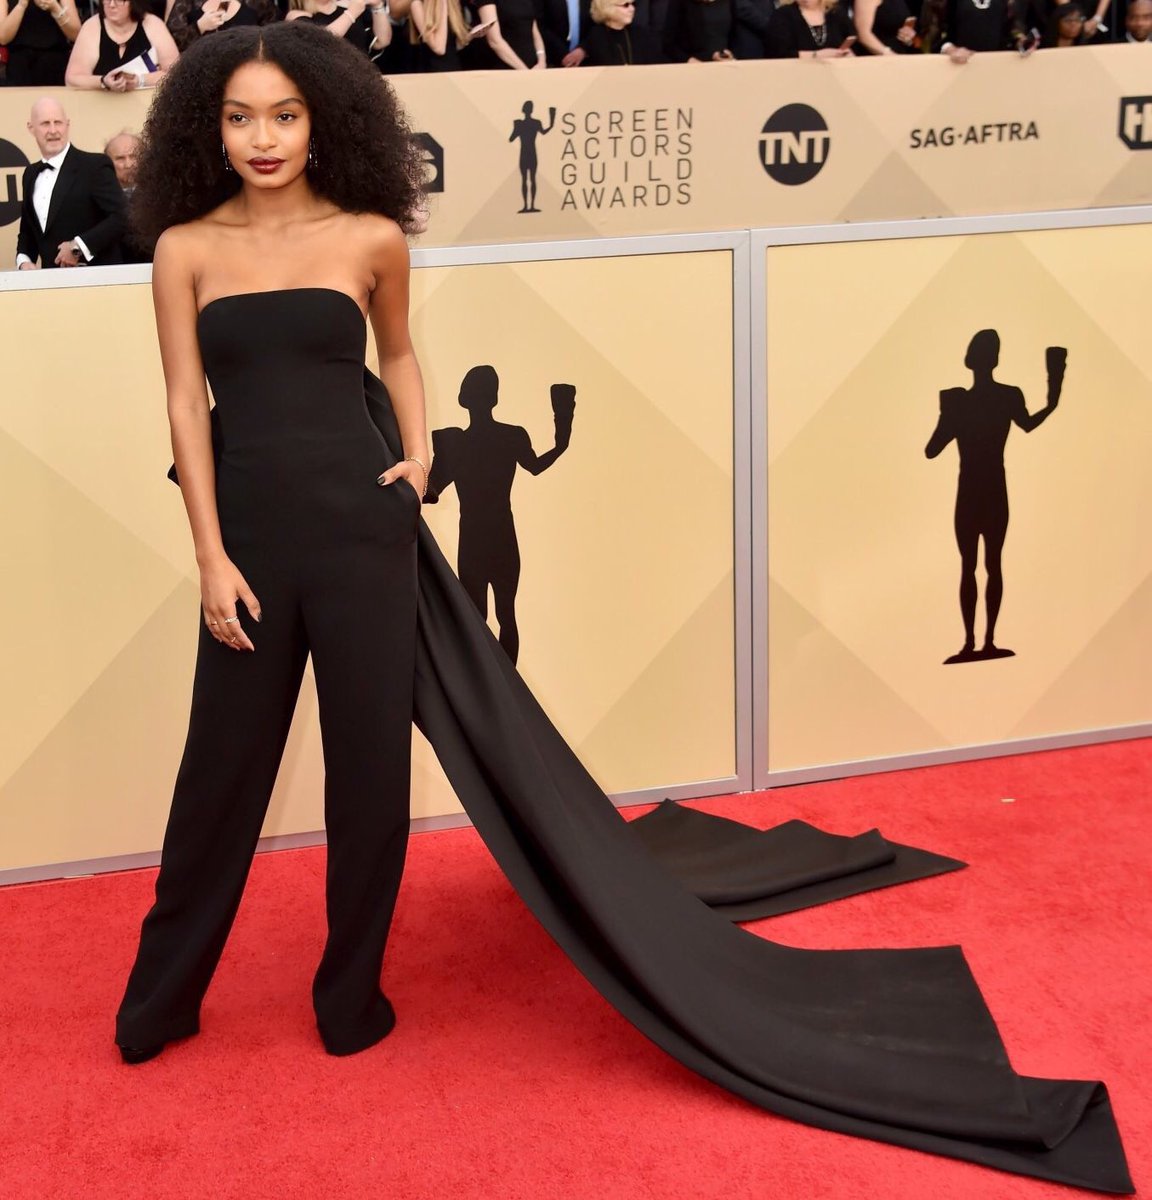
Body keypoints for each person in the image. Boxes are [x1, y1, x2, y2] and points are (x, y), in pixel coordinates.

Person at [111, 23, 1132, 1198]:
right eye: (240, 116)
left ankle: (349, 999)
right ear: (206, 125)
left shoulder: (372, 238)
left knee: (367, 782)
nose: (264, 137)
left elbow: (396, 357)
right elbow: (187, 401)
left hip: (363, 535)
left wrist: (424, 454)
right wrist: (208, 553)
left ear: (323, 119)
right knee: (217, 779)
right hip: (247, 542)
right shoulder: (185, 248)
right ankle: (161, 999)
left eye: (284, 114)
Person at [924, 330, 1064, 664]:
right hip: (991, 489)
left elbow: (932, 449)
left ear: (970, 360)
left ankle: (974, 643)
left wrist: (949, 415)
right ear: (995, 359)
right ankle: (982, 642)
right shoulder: (1006, 396)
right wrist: (1053, 398)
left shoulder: (960, 401)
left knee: (971, 566)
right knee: (990, 565)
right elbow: (1029, 424)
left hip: (972, 489)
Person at [15, 96, 125, 268]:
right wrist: (24, 261)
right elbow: (28, 231)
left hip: (96, 280)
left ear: (67, 125)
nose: (53, 130)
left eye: (58, 122)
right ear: (31, 128)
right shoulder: (30, 174)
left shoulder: (94, 166)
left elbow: (122, 216)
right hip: (50, 285)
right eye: (45, 123)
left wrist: (78, 247)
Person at [64, 0, 179, 89]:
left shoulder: (153, 24)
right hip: (102, 107)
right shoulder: (92, 27)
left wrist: (139, 80)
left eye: (119, 0)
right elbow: (72, 78)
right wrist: (103, 82)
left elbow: (175, 74)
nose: (112, 5)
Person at [0, 0, 81, 85]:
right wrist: (21, 5)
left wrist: (55, 8)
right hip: (20, 63)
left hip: (54, 60)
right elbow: (3, 38)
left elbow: (75, 34)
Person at [562, 0, 664, 64]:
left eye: (633, 4)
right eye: (626, 5)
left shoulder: (642, 35)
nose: (632, 9)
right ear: (608, 8)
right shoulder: (596, 37)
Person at [285, 0, 392, 58]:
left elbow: (382, 41)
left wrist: (378, 6)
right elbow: (319, 40)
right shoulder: (296, 15)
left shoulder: (349, 8)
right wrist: (351, 14)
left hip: (360, 78)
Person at [166, 0, 276, 51]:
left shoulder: (256, 3)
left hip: (247, 67)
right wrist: (199, 27)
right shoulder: (188, 3)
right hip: (201, 70)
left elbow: (273, 35)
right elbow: (173, 44)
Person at [764, 0, 854, 56]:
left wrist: (847, 54)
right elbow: (778, 53)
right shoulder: (782, 15)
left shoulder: (836, 13)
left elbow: (852, 40)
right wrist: (816, 55)